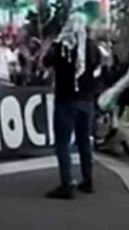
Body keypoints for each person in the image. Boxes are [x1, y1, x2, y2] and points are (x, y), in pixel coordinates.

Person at [43, 14, 102, 200]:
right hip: (86, 100)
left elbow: (45, 63)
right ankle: (88, 179)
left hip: (65, 99)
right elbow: (99, 65)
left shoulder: (61, 46)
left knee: (62, 143)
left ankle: (66, 184)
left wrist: (51, 44)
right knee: (85, 141)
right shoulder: (92, 47)